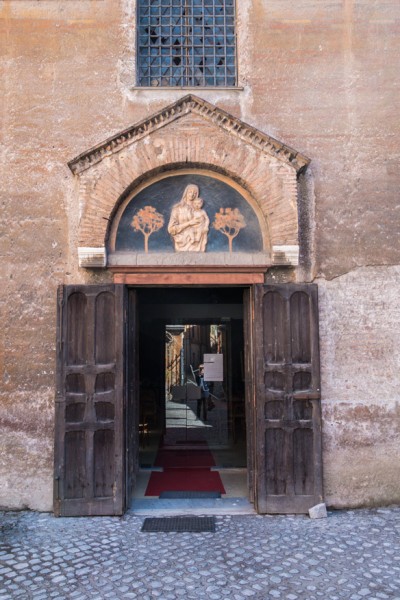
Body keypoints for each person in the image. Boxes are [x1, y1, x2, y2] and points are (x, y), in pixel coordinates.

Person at [168, 184, 209, 252]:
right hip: (182, 243)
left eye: (195, 193)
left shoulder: (200, 211)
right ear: (186, 192)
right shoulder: (177, 209)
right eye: (190, 192)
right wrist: (189, 223)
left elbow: (205, 221)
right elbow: (171, 229)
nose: (192, 194)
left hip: (198, 243)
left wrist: (204, 226)